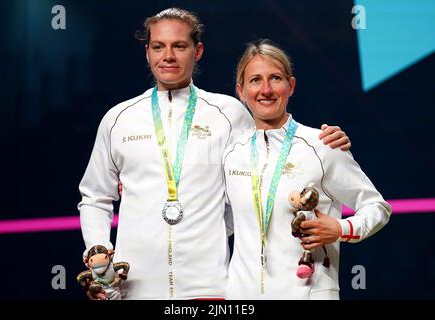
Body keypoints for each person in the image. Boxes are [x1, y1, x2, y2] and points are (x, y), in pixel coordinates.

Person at [78, 8, 351, 300]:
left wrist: (324, 139)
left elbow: (266, 172)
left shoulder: (230, 113)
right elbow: (95, 196)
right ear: (147, 52)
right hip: (133, 287)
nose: (167, 56)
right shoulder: (118, 119)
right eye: (158, 46)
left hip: (210, 288)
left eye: (179, 46)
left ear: (198, 51)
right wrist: (99, 258)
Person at [223, 39, 392, 300]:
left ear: (290, 86)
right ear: (241, 91)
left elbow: (377, 207)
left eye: (275, 78)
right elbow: (220, 221)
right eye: (255, 80)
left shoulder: (322, 145)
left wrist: (341, 228)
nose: (266, 89)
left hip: (309, 292)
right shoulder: (231, 152)